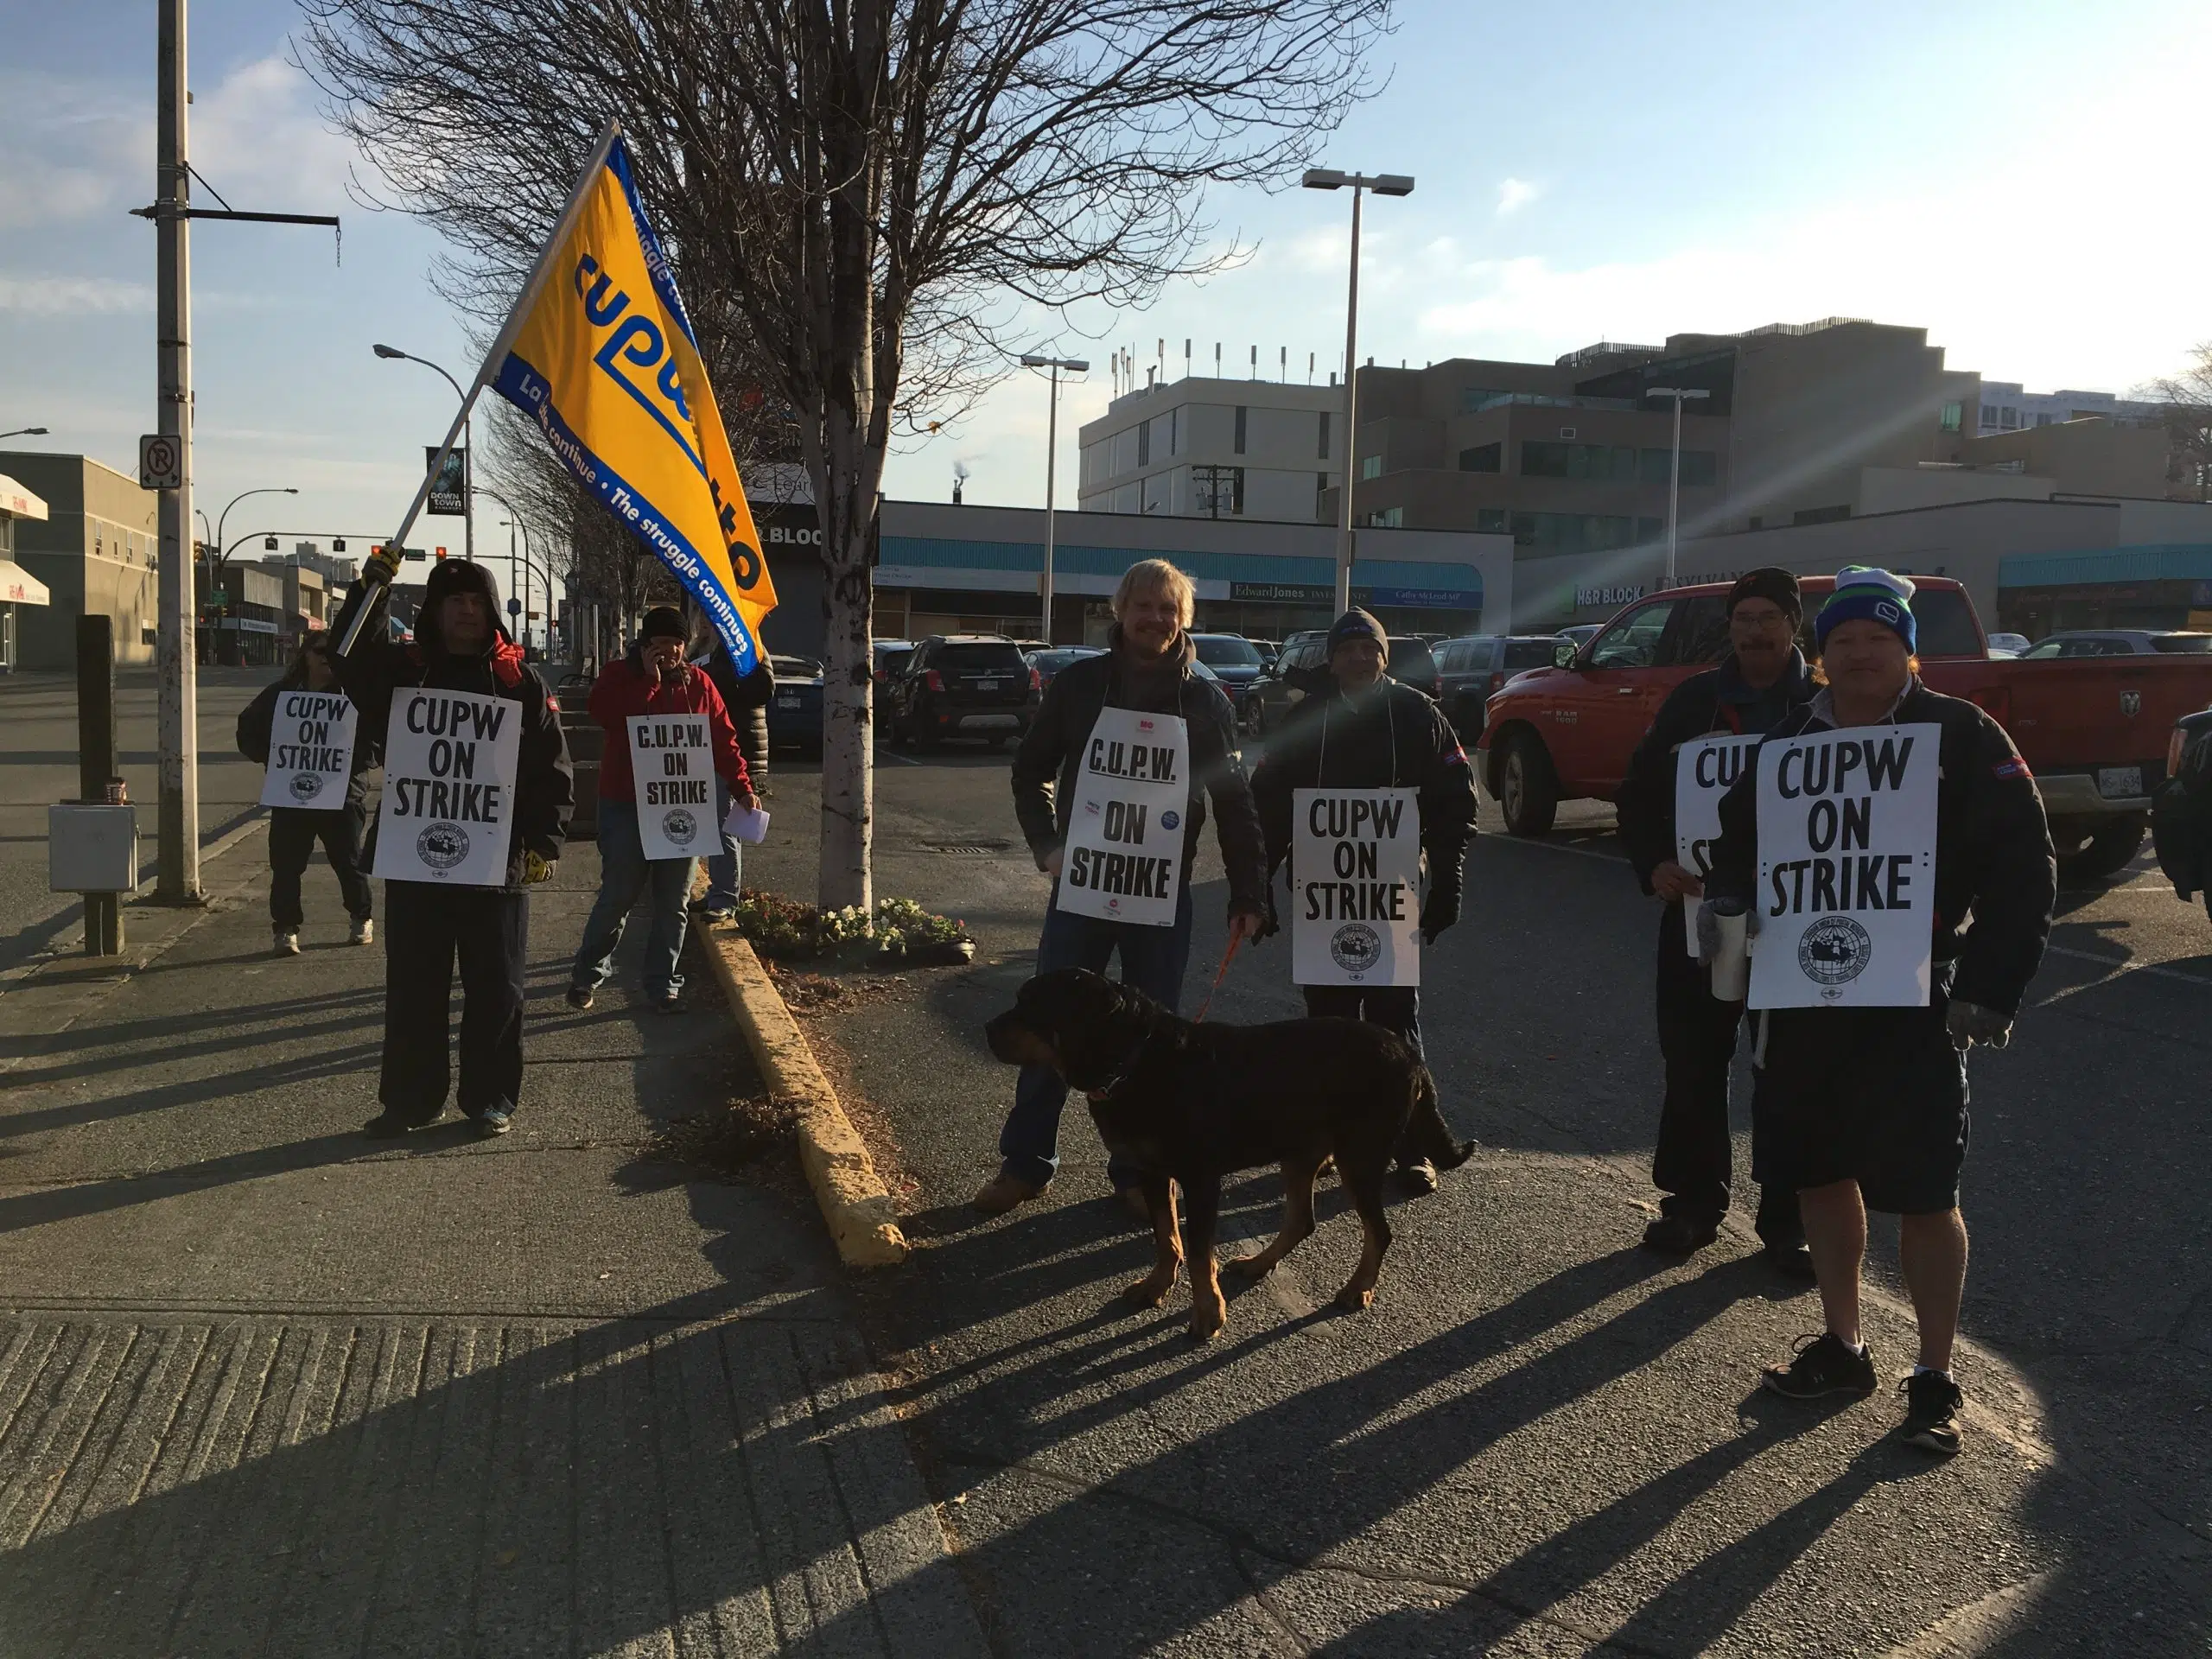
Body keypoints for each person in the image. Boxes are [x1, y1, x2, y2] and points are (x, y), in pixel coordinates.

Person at [1701, 567, 2055, 1457]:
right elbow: (1738, 847)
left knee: (1925, 1193)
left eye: (1877, 639)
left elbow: (2024, 865)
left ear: (1907, 648)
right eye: (1844, 640)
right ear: (1821, 654)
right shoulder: (1787, 744)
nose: (1859, 654)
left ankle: (1933, 1374)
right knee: (1819, 1174)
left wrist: (1988, 984)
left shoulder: (1960, 735)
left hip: (1916, 999)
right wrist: (1726, 908)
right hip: (1801, 999)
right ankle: (1844, 1342)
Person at [982, 557, 1271, 1218]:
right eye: (1143, 606)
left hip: (1161, 898)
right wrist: (1046, 846)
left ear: (1184, 619)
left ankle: (1141, 1176)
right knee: (1049, 1033)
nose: (1155, 618)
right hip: (1081, 891)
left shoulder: (1206, 701)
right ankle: (1025, 1165)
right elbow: (1030, 771)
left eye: (1168, 608)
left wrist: (1249, 893)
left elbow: (1234, 803)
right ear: (1121, 611)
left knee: (1151, 1048)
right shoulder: (1079, 686)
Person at [327, 554, 574, 1138]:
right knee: (415, 986)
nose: (467, 611)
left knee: (499, 986)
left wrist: (545, 842)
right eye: (454, 601)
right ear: (435, 612)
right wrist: (372, 590)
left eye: (477, 602)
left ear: (492, 612)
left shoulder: (520, 682)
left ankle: (491, 1098)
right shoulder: (401, 672)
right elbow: (347, 658)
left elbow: (552, 767)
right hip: (416, 860)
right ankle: (411, 1101)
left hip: (498, 862)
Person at [1615, 568, 1816, 1274]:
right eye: (1744, 619)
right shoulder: (1694, 704)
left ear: (1794, 625)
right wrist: (1653, 865)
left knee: (1789, 1071)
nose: (1755, 631)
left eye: (1769, 618)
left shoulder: (1825, 708)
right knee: (1694, 1062)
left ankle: (1788, 1220)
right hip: (1699, 914)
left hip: (1794, 924)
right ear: (1729, 628)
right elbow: (1638, 793)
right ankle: (1692, 1204)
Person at [1249, 607, 1478, 1195]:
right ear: (1332, 658)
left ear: (1383, 656)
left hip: (1391, 889)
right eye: (1347, 648)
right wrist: (1259, 888)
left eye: (1368, 648)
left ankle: (1411, 1147)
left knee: (1394, 1024)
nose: (1358, 657)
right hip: (1322, 891)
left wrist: (1449, 878)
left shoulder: (1417, 714)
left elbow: (1455, 798)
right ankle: (1323, 1141)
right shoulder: (1306, 718)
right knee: (1325, 1025)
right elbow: (1269, 805)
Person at [569, 607, 753, 1012]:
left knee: (674, 902)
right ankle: (588, 974)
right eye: (660, 643)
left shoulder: (700, 684)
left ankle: (663, 983)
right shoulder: (619, 676)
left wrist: (742, 787)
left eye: (676, 643)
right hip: (626, 805)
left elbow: (723, 739)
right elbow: (603, 714)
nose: (669, 650)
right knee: (618, 896)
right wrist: (649, 687)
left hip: (682, 807)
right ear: (644, 644)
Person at [236, 633, 380, 955]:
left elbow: (377, 741)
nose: (327, 657)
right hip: (291, 794)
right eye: (320, 651)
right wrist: (272, 757)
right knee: (286, 867)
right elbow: (247, 729)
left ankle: (361, 916)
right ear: (305, 656)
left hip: (342, 795)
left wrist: (354, 761)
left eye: (334, 653)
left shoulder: (354, 697)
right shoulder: (280, 696)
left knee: (348, 863)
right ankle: (285, 929)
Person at [695, 635, 774, 922]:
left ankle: (725, 898)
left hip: (735, 748)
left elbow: (764, 689)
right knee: (713, 824)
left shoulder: (748, 644)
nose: (705, 621)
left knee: (724, 825)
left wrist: (712, 679)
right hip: (705, 746)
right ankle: (718, 889)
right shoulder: (705, 647)